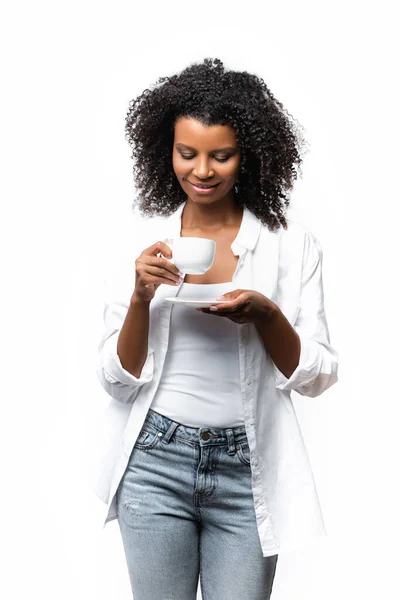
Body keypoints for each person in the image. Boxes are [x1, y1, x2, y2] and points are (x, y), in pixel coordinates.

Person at [94, 57, 339, 600]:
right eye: (187, 153)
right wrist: (141, 297)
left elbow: (318, 375)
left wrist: (267, 316)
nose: (202, 170)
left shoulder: (290, 245)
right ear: (168, 151)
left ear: (246, 156)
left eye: (220, 155)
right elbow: (117, 380)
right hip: (155, 462)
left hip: (246, 470)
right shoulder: (142, 244)